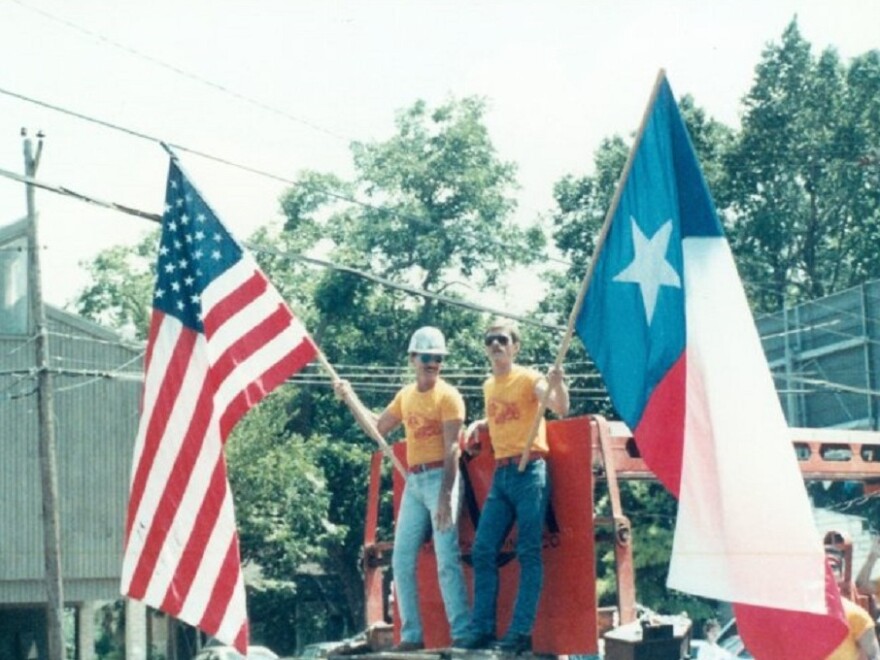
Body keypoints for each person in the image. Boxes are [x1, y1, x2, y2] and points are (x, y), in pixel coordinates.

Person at [334, 326, 470, 651]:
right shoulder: (406, 396)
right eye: (427, 356)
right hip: (415, 480)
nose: (432, 363)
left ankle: (462, 633)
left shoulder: (449, 397)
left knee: (446, 558)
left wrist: (444, 498)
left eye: (438, 358)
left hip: (442, 479)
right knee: (401, 559)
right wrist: (350, 398)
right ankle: (411, 635)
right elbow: (378, 428)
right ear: (413, 358)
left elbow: (453, 450)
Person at [458, 318, 569, 653]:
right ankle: (483, 629)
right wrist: (480, 423)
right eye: (491, 340)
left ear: (515, 346)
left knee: (528, 551)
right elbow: (501, 418)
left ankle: (520, 633)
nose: (496, 345)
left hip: (530, 469)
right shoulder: (489, 385)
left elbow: (561, 408)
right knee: (482, 550)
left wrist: (557, 384)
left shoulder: (530, 378)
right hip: (502, 474)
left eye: (503, 339)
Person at [827, 545, 880, 660]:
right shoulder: (797, 615)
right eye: (823, 566)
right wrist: (873, 556)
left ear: (841, 576)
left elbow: (874, 656)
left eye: (832, 567)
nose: (828, 572)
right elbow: (861, 584)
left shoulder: (855, 615)